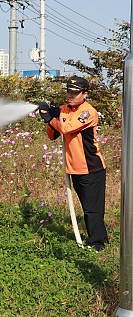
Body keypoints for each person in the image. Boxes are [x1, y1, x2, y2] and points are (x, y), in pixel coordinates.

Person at [38, 75, 108, 251]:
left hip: (91, 167)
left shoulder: (88, 112)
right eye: (68, 91)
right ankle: (101, 237)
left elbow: (67, 128)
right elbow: (53, 135)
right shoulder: (65, 110)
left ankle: (96, 244)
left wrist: (53, 117)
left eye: (75, 92)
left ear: (85, 94)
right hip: (74, 168)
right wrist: (48, 115)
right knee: (88, 207)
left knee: (92, 209)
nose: (70, 95)